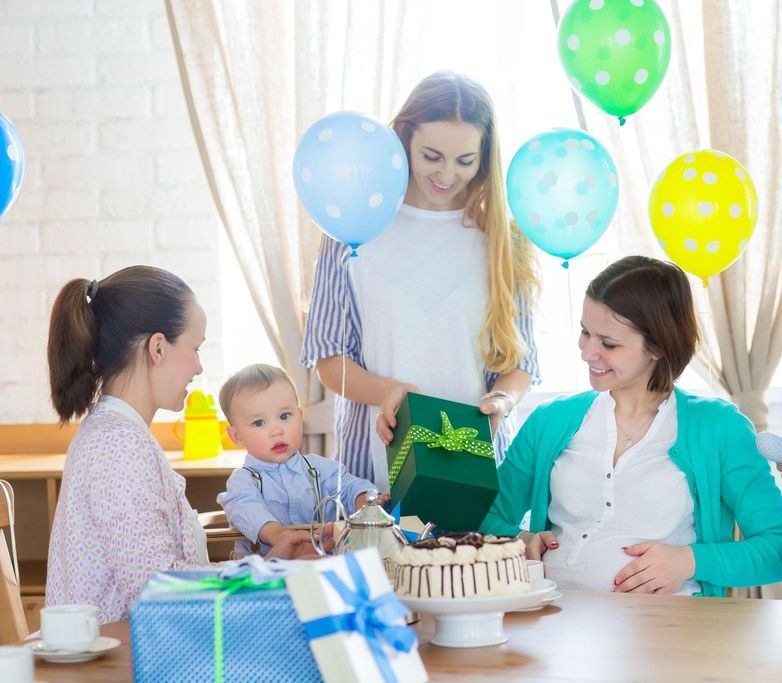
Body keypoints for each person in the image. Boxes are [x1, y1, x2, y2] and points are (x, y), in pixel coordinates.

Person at [480, 256, 782, 596]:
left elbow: (781, 547)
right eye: (585, 332)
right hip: (555, 622)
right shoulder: (549, 421)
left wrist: (688, 561)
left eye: (609, 343)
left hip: (668, 633)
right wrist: (520, 539)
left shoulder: (720, 428)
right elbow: (487, 519)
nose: (588, 353)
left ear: (658, 347)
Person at [302, 70, 540, 491]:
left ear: (484, 156)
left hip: (477, 473)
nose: (447, 175)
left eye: (465, 161)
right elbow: (328, 360)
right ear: (404, 137)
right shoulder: (354, 225)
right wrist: (387, 392)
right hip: (372, 480)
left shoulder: (502, 238)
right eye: (432, 156)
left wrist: (501, 401)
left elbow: (520, 364)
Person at [45, 267, 314, 623]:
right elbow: (156, 587)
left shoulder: (120, 435)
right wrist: (259, 576)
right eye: (195, 348)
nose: (199, 366)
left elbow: (163, 573)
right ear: (158, 347)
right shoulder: (116, 448)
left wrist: (264, 565)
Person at [216, 364, 381, 556]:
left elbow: (350, 485)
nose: (277, 430)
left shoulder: (322, 468)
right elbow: (246, 508)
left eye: (284, 416)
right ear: (236, 436)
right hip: (268, 573)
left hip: (324, 565)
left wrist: (364, 500)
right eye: (259, 422)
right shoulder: (241, 481)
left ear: (300, 417)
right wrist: (278, 535)